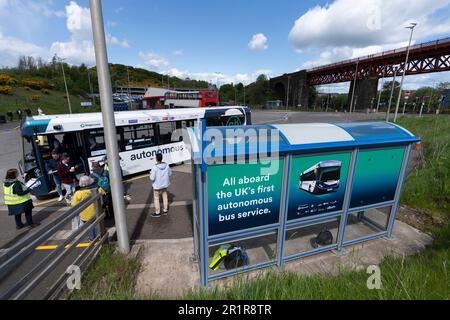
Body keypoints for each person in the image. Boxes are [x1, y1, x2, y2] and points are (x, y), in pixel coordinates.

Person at [71, 176, 100, 242]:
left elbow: (74, 204)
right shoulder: (95, 189)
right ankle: (99, 237)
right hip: (96, 211)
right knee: (97, 224)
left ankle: (92, 239)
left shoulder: (78, 193)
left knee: (89, 227)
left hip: (84, 214)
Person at [150, 153, 172, 218]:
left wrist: (150, 173)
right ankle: (165, 210)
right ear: (162, 158)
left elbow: (152, 178)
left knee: (156, 198)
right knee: (165, 196)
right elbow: (170, 174)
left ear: (156, 159)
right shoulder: (167, 165)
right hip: (165, 185)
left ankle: (158, 212)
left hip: (157, 186)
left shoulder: (154, 167)